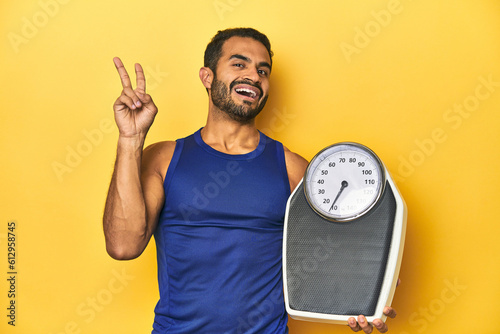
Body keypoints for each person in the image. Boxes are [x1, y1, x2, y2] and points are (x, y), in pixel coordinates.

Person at [103, 27, 397, 333]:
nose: (254, 76)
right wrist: (130, 138)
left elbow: (335, 256)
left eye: (262, 70)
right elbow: (123, 245)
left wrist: (373, 294)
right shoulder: (163, 159)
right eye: (239, 64)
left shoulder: (294, 169)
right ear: (207, 77)